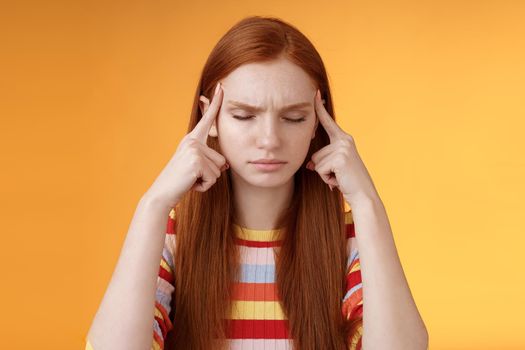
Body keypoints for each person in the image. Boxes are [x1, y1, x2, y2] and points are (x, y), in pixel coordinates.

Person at [85, 15, 428, 350]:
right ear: (211, 118)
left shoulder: (351, 237)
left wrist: (368, 203)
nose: (269, 139)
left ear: (316, 124)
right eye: (244, 116)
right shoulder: (170, 236)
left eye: (293, 118)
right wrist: (153, 205)